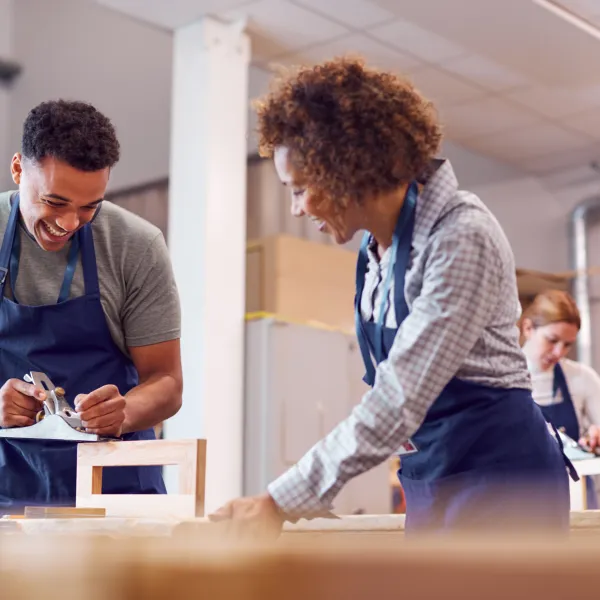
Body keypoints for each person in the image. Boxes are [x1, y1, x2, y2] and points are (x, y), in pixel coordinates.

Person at [210, 57, 576, 537]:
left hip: (501, 483)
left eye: (300, 190)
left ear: (348, 171)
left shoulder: (461, 236)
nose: (297, 209)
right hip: (433, 476)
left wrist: (279, 500)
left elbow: (400, 397)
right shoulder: (375, 249)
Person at [0, 100, 182, 512]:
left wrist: (124, 411)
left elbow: (167, 382)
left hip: (118, 493)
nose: (69, 223)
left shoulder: (136, 246)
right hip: (7, 490)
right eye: (55, 202)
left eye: (89, 207)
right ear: (17, 170)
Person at [520, 289, 600, 509]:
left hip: (577, 500)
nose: (558, 352)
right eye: (552, 340)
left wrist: (595, 438)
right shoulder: (503, 380)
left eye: (567, 344)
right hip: (523, 501)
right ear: (528, 328)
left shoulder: (582, 378)